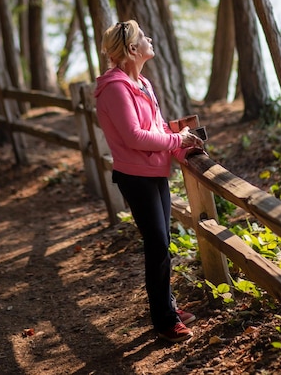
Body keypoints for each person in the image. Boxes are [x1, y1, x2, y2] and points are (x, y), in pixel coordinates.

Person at [94, 20, 205, 343]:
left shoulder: (142, 83)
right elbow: (134, 136)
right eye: (144, 37)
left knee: (162, 245)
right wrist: (177, 141)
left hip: (155, 173)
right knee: (157, 245)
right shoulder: (115, 87)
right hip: (134, 176)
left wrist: (182, 146)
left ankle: (166, 305)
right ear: (132, 49)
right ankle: (164, 320)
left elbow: (156, 127)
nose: (150, 39)